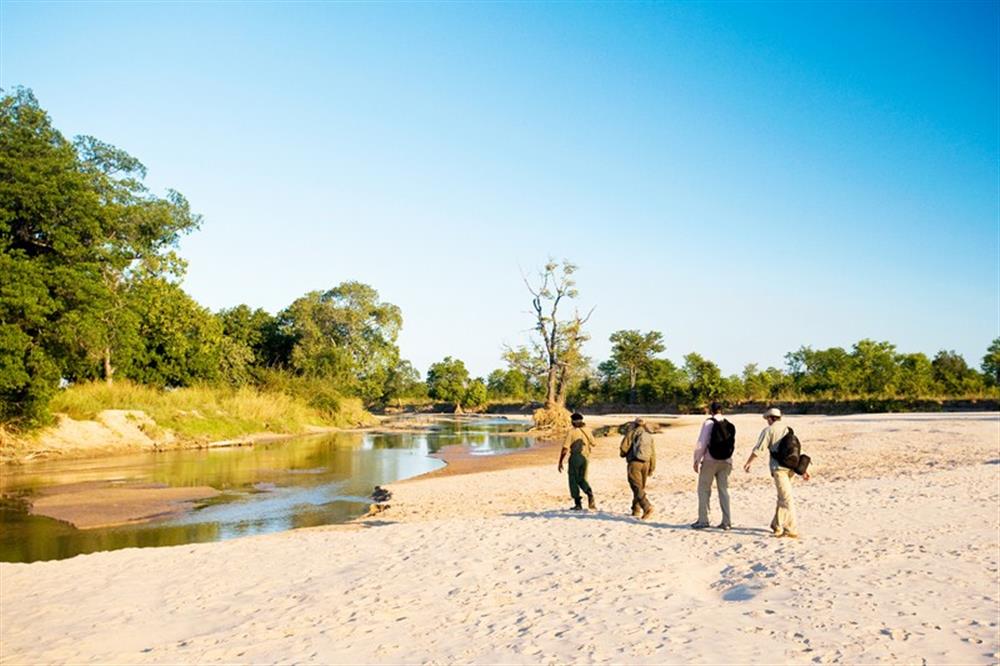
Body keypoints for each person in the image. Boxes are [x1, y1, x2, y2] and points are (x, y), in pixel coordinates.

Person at [743, 407, 810, 538]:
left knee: (786, 499)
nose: (767, 421)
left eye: (767, 418)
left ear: (770, 418)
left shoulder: (768, 430)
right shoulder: (789, 429)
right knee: (784, 497)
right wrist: (803, 470)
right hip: (791, 468)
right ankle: (777, 526)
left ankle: (790, 529)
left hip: (778, 469)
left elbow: (759, 449)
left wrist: (749, 462)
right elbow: (795, 450)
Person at [691, 401, 733, 530]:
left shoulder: (709, 423)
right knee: (724, 491)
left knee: (704, 490)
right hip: (726, 461)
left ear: (711, 411)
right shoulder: (729, 424)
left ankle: (703, 520)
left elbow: (702, 443)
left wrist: (696, 460)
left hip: (710, 460)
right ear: (722, 411)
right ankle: (726, 521)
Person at [558, 412, 597, 510]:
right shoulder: (587, 430)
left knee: (573, 480)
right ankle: (589, 493)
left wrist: (560, 461)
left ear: (573, 422)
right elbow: (594, 443)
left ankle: (578, 503)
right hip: (586, 458)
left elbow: (565, 448)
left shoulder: (572, 432)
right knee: (582, 478)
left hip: (575, 457)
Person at [620, 417, 656, 520]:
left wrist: (623, 454)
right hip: (646, 463)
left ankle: (646, 506)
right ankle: (636, 509)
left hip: (634, 462)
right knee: (640, 487)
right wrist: (651, 467)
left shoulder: (632, 433)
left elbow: (623, 448)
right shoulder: (648, 436)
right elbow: (653, 453)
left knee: (636, 486)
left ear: (635, 424)